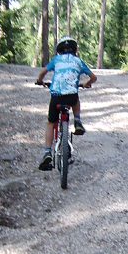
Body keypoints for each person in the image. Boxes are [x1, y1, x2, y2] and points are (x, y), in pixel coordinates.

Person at [36, 36, 97, 171]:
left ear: (59, 50)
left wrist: (40, 81)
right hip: (71, 97)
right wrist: (87, 84)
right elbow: (94, 77)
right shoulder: (78, 61)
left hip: (56, 97)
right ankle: (77, 121)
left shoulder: (56, 60)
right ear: (75, 50)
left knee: (51, 123)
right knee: (75, 98)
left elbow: (42, 72)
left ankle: (47, 153)